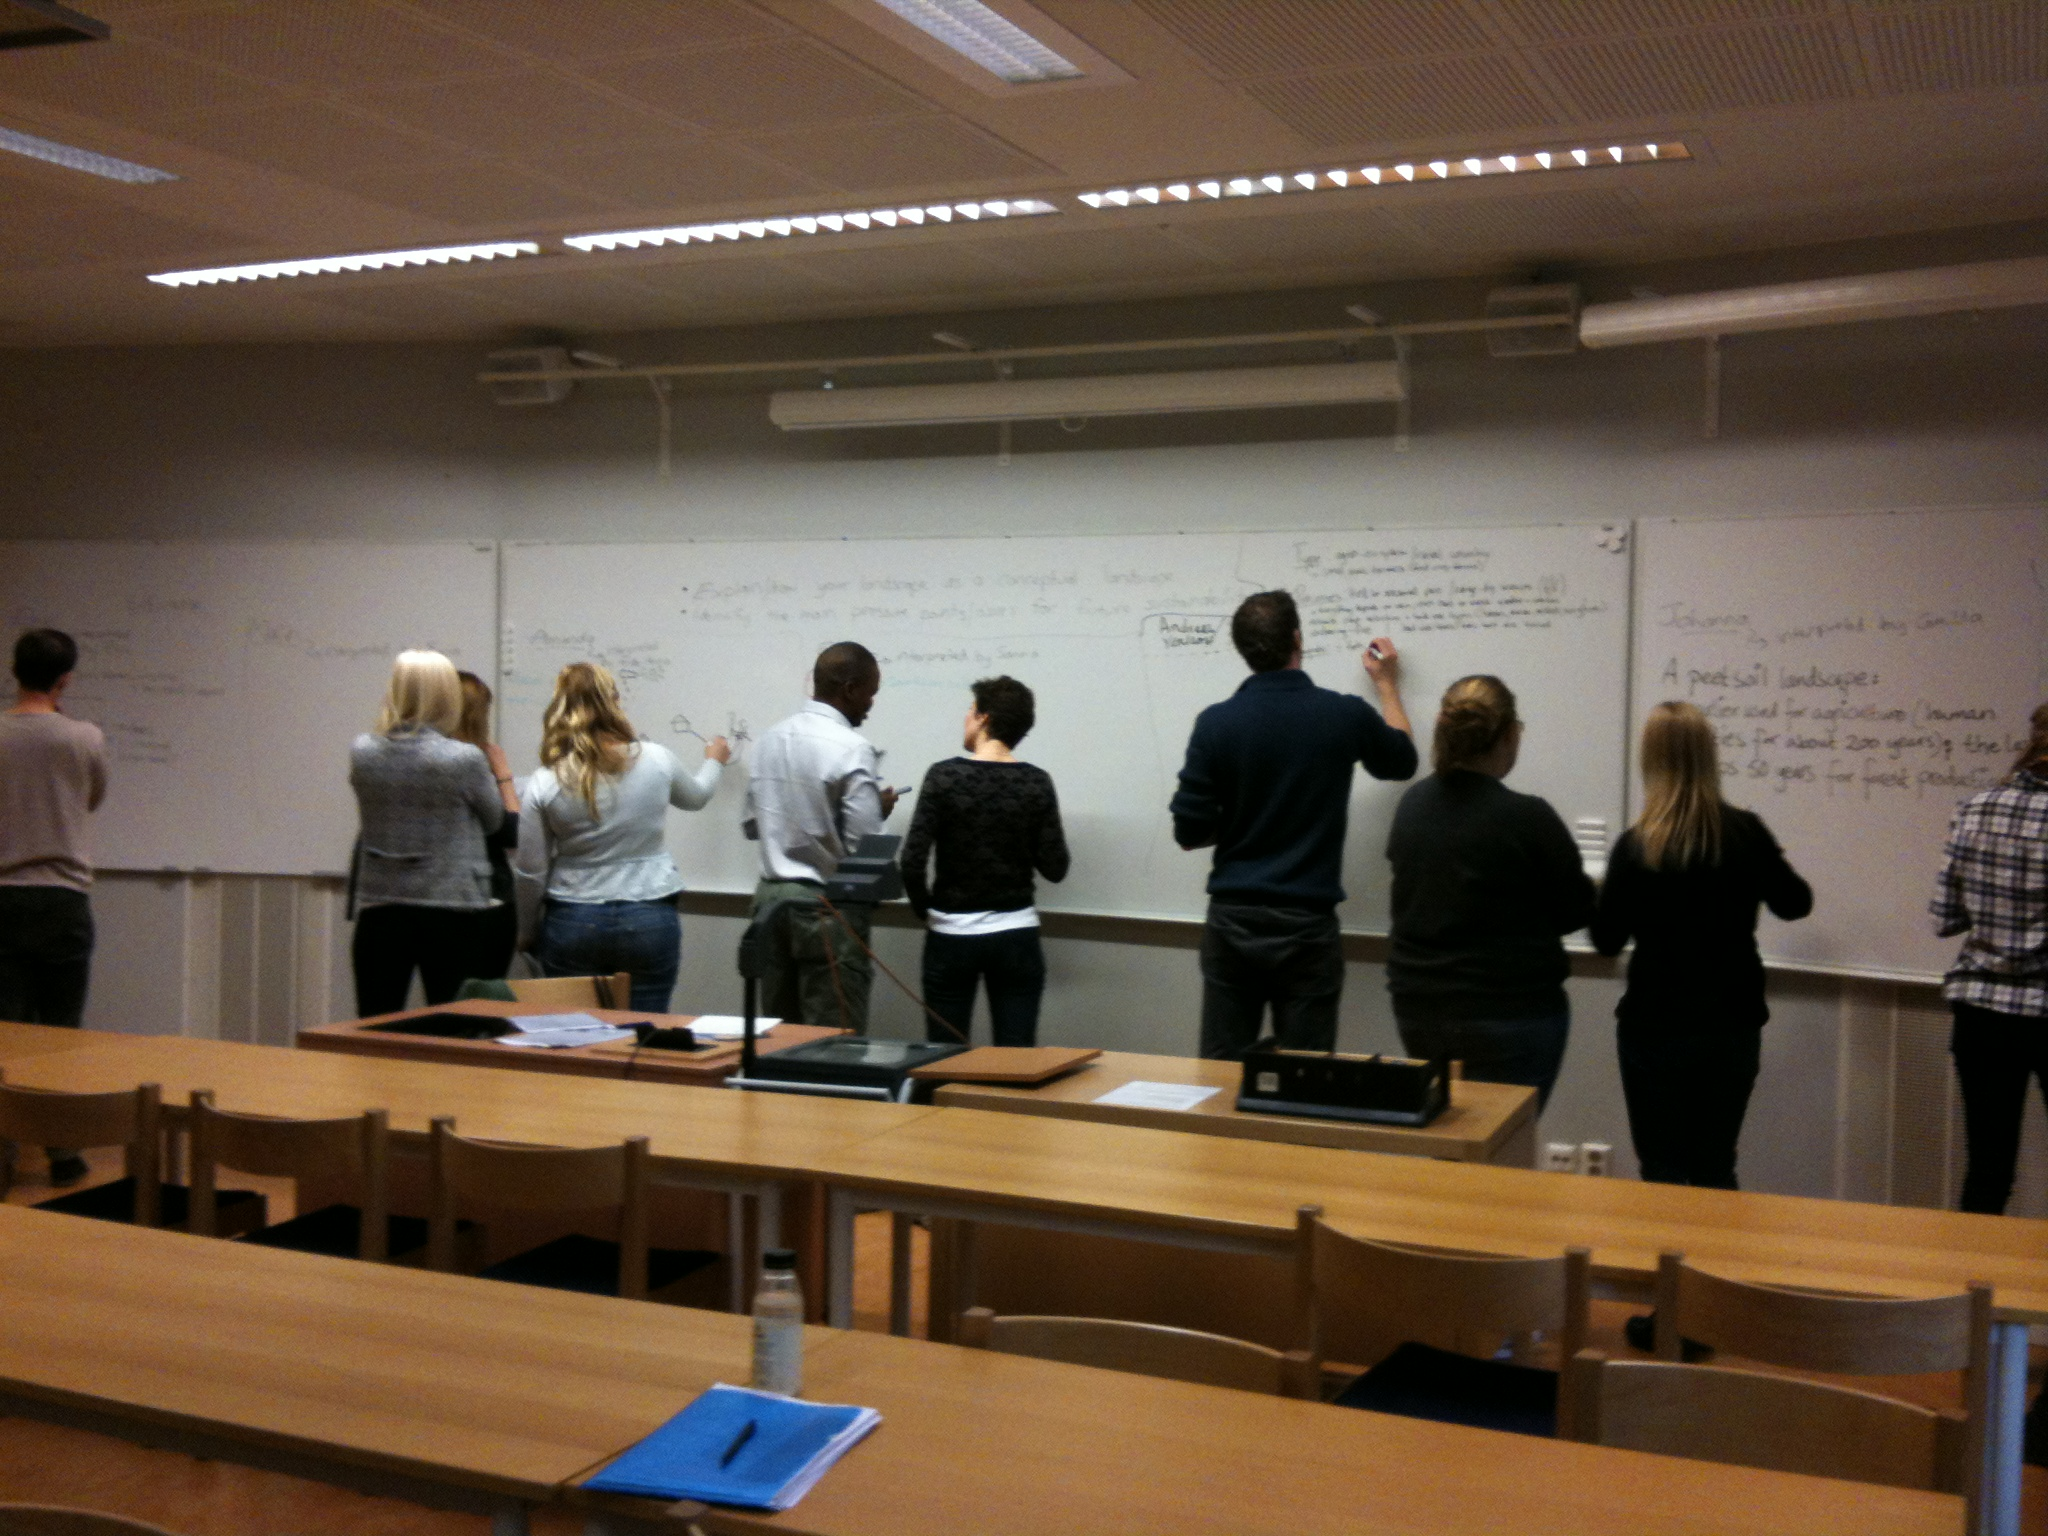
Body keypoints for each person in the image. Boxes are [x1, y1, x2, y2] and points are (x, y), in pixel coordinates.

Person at [1171, 591, 1415, 1059]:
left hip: (1232, 924)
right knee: (1303, 1086)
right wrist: (1386, 686)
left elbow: (1188, 831)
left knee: (1222, 1080)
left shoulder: (1215, 724)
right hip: (1306, 928)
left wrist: (1245, 819)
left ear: (1244, 652)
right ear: (1297, 638)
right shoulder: (1342, 714)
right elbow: (1402, 761)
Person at [1592, 701, 1812, 1189]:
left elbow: (1606, 941)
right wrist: (1768, 863)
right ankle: (1712, 1266)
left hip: (1655, 1023)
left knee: (1663, 1168)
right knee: (1715, 1164)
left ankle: (1664, 1263)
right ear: (1709, 756)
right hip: (1730, 1021)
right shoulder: (1745, 832)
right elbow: (1796, 903)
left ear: (1650, 761)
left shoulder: (1635, 846)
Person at [1386, 675, 1592, 1109]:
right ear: (1507, 736)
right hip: (1512, 1012)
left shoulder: (1413, 807)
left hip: (1421, 1010)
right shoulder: (1527, 818)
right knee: (1503, 1150)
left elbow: (1412, 900)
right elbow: (1575, 910)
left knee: (1448, 1139)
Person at [514, 662, 728, 1014]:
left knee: (575, 1037)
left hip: (572, 917)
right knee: (643, 1035)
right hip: (649, 914)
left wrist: (525, 931)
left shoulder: (547, 779)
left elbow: (530, 871)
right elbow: (698, 797)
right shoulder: (656, 759)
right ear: (613, 702)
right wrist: (714, 761)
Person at [901, 676, 1070, 1047]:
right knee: (1015, 1062)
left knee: (943, 1058)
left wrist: (925, 911)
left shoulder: (943, 776)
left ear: (982, 718)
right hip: (1016, 936)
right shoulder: (1036, 782)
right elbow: (1056, 868)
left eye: (970, 711)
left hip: (951, 936)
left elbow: (912, 861)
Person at [743, 641, 898, 1031]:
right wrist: (876, 808)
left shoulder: (769, 739)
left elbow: (751, 824)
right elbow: (864, 845)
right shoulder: (852, 748)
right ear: (849, 689)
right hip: (825, 907)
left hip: (771, 904)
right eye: (870, 692)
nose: (871, 703)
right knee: (833, 1037)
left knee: (779, 1033)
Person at [0, 628, 108, 1187]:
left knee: (5, 1035)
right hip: (63, 898)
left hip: (3, 899)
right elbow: (91, 798)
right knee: (61, 1034)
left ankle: (3, 1152)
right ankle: (63, 1152)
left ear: (14, 671)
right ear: (64, 679)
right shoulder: (83, 737)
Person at [1932, 701, 2048, 1217]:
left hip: (1982, 1010)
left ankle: (1974, 1292)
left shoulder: (1976, 807)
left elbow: (1944, 915)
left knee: (1987, 1168)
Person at [348, 649, 509, 1016]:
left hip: (381, 905)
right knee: (452, 1026)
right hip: (451, 907)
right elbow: (494, 820)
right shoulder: (462, 758)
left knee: (376, 1023)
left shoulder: (362, 751)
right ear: (445, 695)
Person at [454, 670, 522, 983]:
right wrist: (504, 775)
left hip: (437, 901)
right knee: (479, 1006)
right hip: (487, 896)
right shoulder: (472, 761)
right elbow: (508, 833)